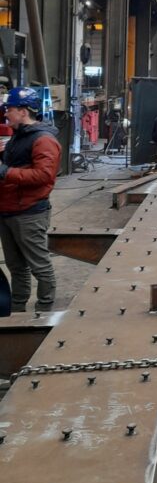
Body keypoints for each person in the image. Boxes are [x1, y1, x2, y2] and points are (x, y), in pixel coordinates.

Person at [0, 87, 61, 313]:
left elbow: (44, 176)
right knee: (17, 266)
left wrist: (5, 171)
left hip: (29, 212)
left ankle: (44, 310)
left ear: (23, 111)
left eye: (10, 110)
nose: (6, 114)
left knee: (39, 266)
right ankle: (17, 311)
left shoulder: (43, 140)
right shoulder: (19, 136)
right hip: (8, 210)